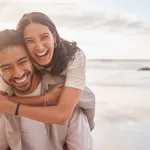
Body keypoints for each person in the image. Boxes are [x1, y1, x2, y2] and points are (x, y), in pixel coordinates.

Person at [0, 12, 95, 130]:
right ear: (23, 45)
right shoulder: (22, 60)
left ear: (54, 37)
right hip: (48, 91)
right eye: (30, 41)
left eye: (44, 37)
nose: (39, 47)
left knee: (83, 108)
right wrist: (43, 99)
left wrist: (12, 107)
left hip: (77, 96)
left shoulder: (75, 57)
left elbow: (62, 115)